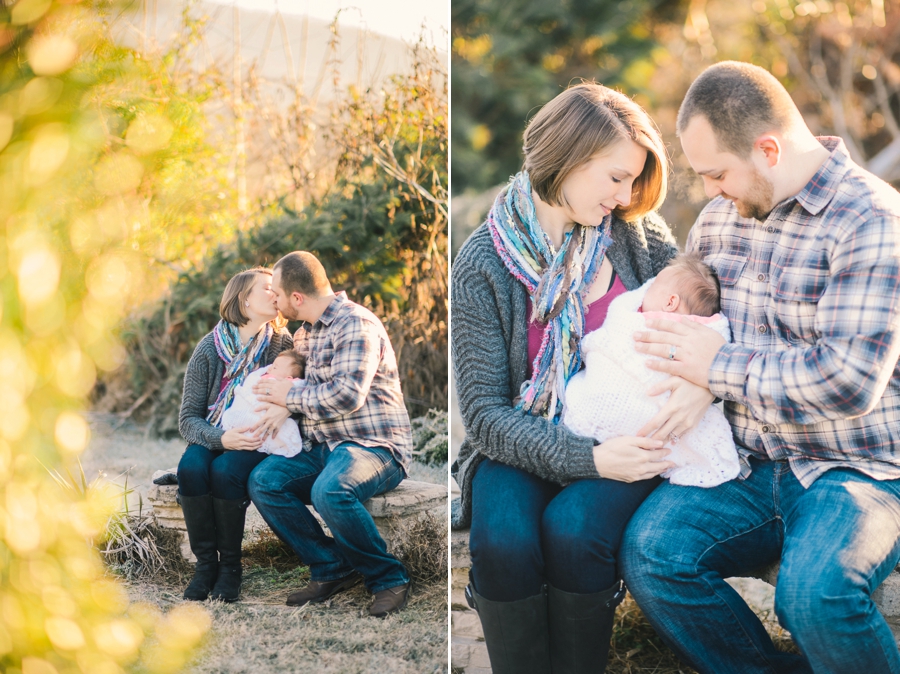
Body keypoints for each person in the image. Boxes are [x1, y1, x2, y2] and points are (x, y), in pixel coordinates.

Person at [622, 61, 900, 673]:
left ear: (768, 149)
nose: (711, 190)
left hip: (857, 468)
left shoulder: (872, 220)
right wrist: (696, 381)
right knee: (652, 553)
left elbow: (847, 380)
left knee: (814, 595)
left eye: (718, 173)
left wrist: (716, 369)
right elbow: (696, 331)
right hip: (747, 463)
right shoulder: (721, 219)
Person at [451, 82, 710, 674]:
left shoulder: (637, 239)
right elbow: (487, 415)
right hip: (522, 441)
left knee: (573, 532)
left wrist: (703, 379)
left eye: (634, 180)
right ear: (565, 159)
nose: (626, 197)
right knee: (502, 544)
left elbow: (702, 318)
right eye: (615, 177)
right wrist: (589, 460)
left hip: (634, 435)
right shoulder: (481, 265)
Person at [246, 251, 414, 618]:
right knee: (264, 481)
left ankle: (388, 578)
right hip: (326, 446)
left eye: (277, 292)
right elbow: (294, 381)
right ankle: (331, 567)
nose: (273, 299)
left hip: (375, 445)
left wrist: (288, 396)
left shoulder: (356, 324)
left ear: (297, 298)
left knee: (330, 490)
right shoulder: (306, 333)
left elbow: (346, 395)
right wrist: (283, 402)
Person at [564, 252, 740, 487]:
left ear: (670, 302)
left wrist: (705, 380)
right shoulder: (708, 329)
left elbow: (613, 335)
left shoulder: (642, 322)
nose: (644, 291)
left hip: (647, 418)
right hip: (634, 441)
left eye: (652, 287)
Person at [177, 267, 294, 602]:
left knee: (226, 471)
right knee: (192, 468)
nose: (276, 294)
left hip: (256, 436)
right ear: (244, 300)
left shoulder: (280, 345)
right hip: (216, 433)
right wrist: (220, 439)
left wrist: (285, 407)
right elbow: (188, 420)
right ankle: (205, 567)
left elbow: (296, 390)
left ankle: (230, 568)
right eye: (268, 288)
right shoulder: (208, 350)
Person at [220, 349, 306, 458]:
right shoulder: (260, 376)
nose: (269, 368)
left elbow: (300, 388)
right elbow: (248, 387)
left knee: (223, 466)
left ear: (288, 378)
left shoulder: (289, 384)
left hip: (265, 421)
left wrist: (286, 403)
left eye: (274, 367)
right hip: (241, 415)